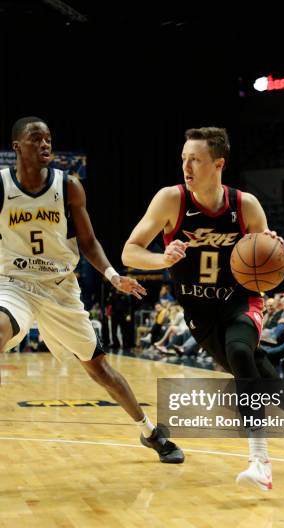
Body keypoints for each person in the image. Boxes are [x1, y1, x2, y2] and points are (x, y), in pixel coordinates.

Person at [122, 126, 284, 491]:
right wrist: (160, 257)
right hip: (200, 314)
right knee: (266, 383)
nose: (187, 166)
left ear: (218, 164)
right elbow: (129, 251)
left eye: (195, 159)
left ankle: (260, 462)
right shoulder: (170, 200)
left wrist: (274, 245)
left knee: (240, 352)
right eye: (184, 159)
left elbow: (268, 261)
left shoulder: (245, 205)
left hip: (240, 301)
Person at [0, 116, 183, 464]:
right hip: (15, 285)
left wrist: (113, 276)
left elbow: (88, 241)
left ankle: (150, 432)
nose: (45, 145)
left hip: (60, 289)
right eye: (36, 139)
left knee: (101, 371)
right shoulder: (2, 186)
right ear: (17, 147)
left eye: (48, 139)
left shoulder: (67, 186)